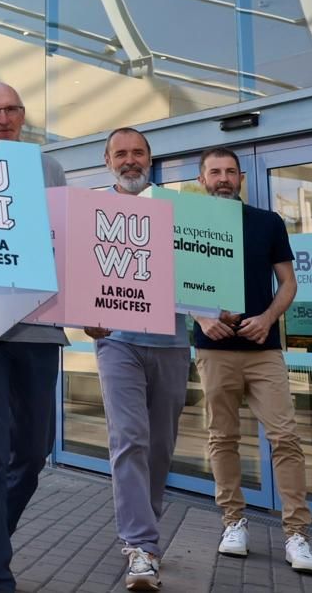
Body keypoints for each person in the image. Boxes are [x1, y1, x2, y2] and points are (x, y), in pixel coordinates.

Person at [190, 147, 312, 575]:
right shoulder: (187, 221)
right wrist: (201, 316)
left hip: (263, 349)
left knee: (285, 437)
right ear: (202, 179)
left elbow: (288, 282)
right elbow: (172, 280)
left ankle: (297, 534)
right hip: (214, 350)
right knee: (222, 438)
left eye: (230, 172)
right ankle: (233, 523)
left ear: (241, 178)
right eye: (215, 172)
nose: (223, 178)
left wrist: (267, 318)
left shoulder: (267, 222)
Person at [0, 81, 67, 593]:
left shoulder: (48, 168)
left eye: (11, 110)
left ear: (23, 115)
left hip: (39, 326)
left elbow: (62, 241)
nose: (2, 118)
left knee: (32, 450)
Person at [83, 127, 189, 592]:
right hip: (117, 342)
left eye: (138, 153)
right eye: (121, 153)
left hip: (171, 340)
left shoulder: (179, 210)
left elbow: (201, 270)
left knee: (160, 447)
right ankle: (140, 546)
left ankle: (145, 532)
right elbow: (78, 272)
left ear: (150, 159)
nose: (130, 160)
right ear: (108, 161)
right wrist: (84, 315)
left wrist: (218, 302)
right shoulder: (91, 210)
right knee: (129, 439)